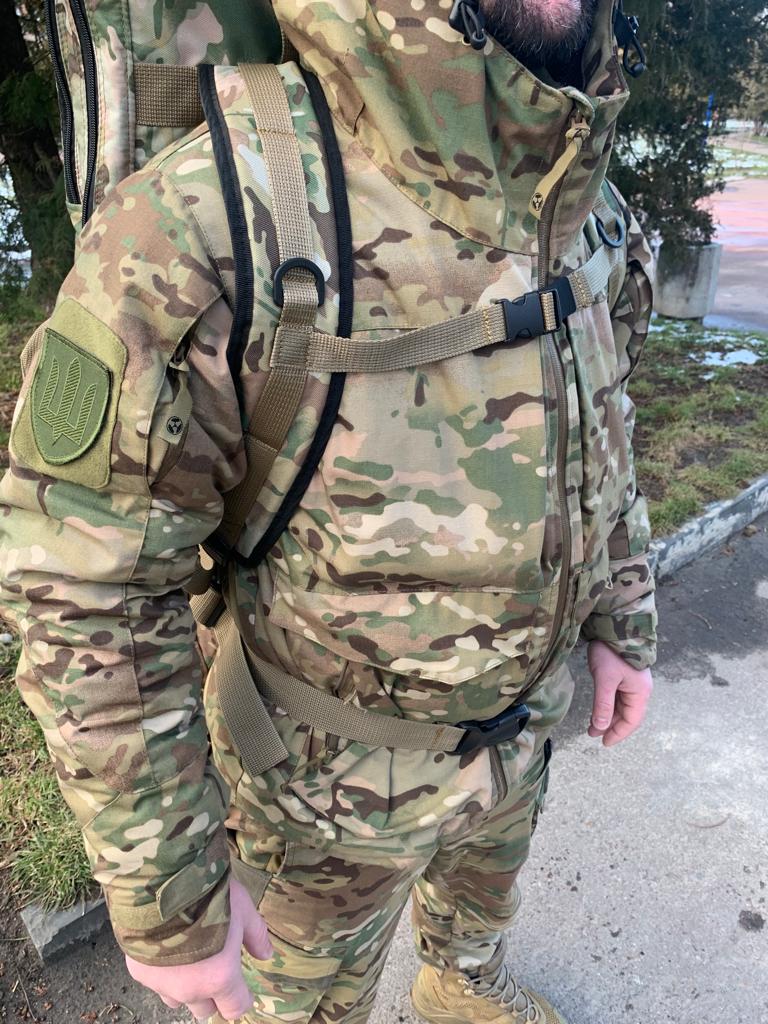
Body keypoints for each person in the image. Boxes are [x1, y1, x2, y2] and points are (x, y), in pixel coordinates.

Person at [0, 1, 657, 1021]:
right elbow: (85, 582)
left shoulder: (577, 178)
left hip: (520, 743)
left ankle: (459, 983)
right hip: (316, 812)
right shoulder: (209, 215)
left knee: (480, 920)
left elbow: (600, 421)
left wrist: (622, 616)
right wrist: (171, 900)